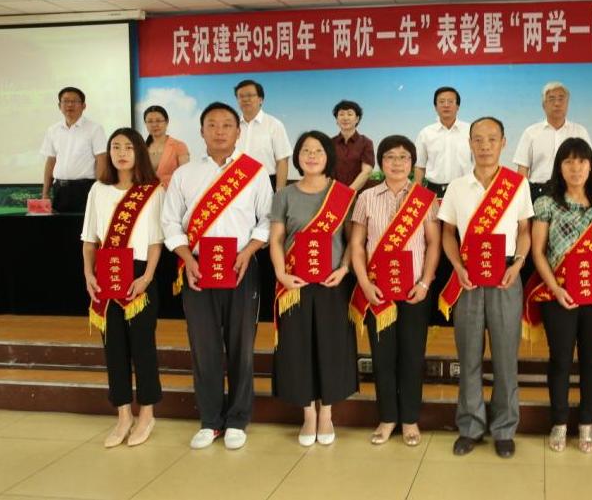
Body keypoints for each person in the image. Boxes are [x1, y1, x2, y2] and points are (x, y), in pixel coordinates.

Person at [161, 102, 273, 450]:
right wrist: (186, 258)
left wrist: (249, 251)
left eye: (227, 124)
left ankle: (237, 419)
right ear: (201, 131)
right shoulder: (185, 174)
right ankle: (210, 420)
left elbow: (267, 220)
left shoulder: (254, 172)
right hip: (197, 269)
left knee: (241, 347)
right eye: (212, 124)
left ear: (238, 131)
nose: (220, 131)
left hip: (241, 267)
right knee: (204, 347)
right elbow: (170, 222)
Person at [438, 116, 534, 459]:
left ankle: (505, 428)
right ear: (469, 143)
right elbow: (448, 234)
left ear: (504, 143)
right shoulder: (457, 187)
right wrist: (457, 267)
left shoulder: (517, 185)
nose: (485, 146)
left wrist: (519, 263)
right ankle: (470, 426)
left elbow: (525, 230)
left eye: (492, 139)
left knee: (506, 357)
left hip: (506, 274)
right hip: (468, 276)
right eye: (478, 139)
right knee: (468, 355)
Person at [525, 137, 592, 454]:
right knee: (561, 360)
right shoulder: (546, 203)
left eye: (581, 161)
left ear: (590, 166)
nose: (575, 167)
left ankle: (587, 423)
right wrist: (555, 288)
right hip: (559, 296)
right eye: (568, 161)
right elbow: (538, 252)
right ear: (559, 167)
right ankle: (560, 422)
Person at [349, 135, 440, 446]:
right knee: (382, 357)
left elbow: (434, 244)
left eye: (404, 157)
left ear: (412, 163)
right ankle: (387, 418)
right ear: (381, 162)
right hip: (378, 292)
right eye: (390, 157)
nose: (397, 163)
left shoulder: (425, 198)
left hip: (415, 291)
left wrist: (425, 283)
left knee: (413, 357)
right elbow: (357, 244)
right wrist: (364, 283)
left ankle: (410, 419)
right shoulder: (366, 197)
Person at [270, 130, 358, 447]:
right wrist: (280, 273)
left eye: (318, 150)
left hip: (332, 283)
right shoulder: (284, 195)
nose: (311, 156)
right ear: (297, 157)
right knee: (297, 348)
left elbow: (353, 240)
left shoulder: (343, 195)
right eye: (305, 150)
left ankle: (327, 414)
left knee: (332, 348)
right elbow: (276, 239)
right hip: (294, 283)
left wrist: (345, 268)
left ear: (328, 156)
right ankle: (308, 414)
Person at [81, 128, 164, 448]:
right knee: (113, 348)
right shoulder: (98, 190)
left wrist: (148, 277)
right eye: (115, 147)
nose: (121, 153)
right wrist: (88, 274)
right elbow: (89, 239)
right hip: (106, 274)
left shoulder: (153, 191)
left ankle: (147, 414)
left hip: (139, 274)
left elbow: (156, 241)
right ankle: (123, 415)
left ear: (139, 152)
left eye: (128, 147)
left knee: (142, 347)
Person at [513, 82, 592, 200]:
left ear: (567, 104)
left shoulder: (580, 132)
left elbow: (590, 164)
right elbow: (522, 170)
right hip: (538, 192)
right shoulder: (530, 133)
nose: (557, 103)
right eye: (552, 99)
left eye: (561, 99)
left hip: (573, 191)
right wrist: (523, 199)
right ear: (543, 105)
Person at [41, 86, 107, 212]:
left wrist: (99, 190)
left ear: (83, 106)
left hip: (85, 189)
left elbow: (102, 160)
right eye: (65, 101)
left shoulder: (94, 128)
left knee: (83, 224)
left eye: (74, 101)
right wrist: (45, 193)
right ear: (59, 106)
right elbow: (51, 161)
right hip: (59, 190)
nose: (70, 105)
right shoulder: (53, 130)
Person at [414, 86, 472, 198]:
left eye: (450, 101)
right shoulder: (425, 133)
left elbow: (479, 163)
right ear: (435, 107)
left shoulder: (470, 131)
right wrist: (416, 194)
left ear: (458, 106)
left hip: (465, 190)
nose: (446, 105)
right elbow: (419, 166)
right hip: (433, 192)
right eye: (441, 102)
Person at [235, 79, 292, 191]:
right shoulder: (232, 125)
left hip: (266, 183)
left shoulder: (274, 125)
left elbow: (282, 161)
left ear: (261, 99)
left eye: (250, 95)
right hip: (235, 182)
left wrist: (279, 192)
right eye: (241, 96)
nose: (245, 99)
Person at [331, 99, 376, 191]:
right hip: (333, 193)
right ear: (337, 120)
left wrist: (348, 193)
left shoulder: (366, 142)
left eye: (350, 114)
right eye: (341, 114)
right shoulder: (329, 143)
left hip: (359, 194)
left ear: (357, 119)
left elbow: (366, 172)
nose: (345, 118)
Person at [143, 105, 190, 188]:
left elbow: (185, 176)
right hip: (147, 194)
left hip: (172, 193)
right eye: (150, 121)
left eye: (158, 121)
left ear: (167, 122)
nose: (154, 125)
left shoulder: (179, 146)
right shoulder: (141, 148)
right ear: (145, 123)